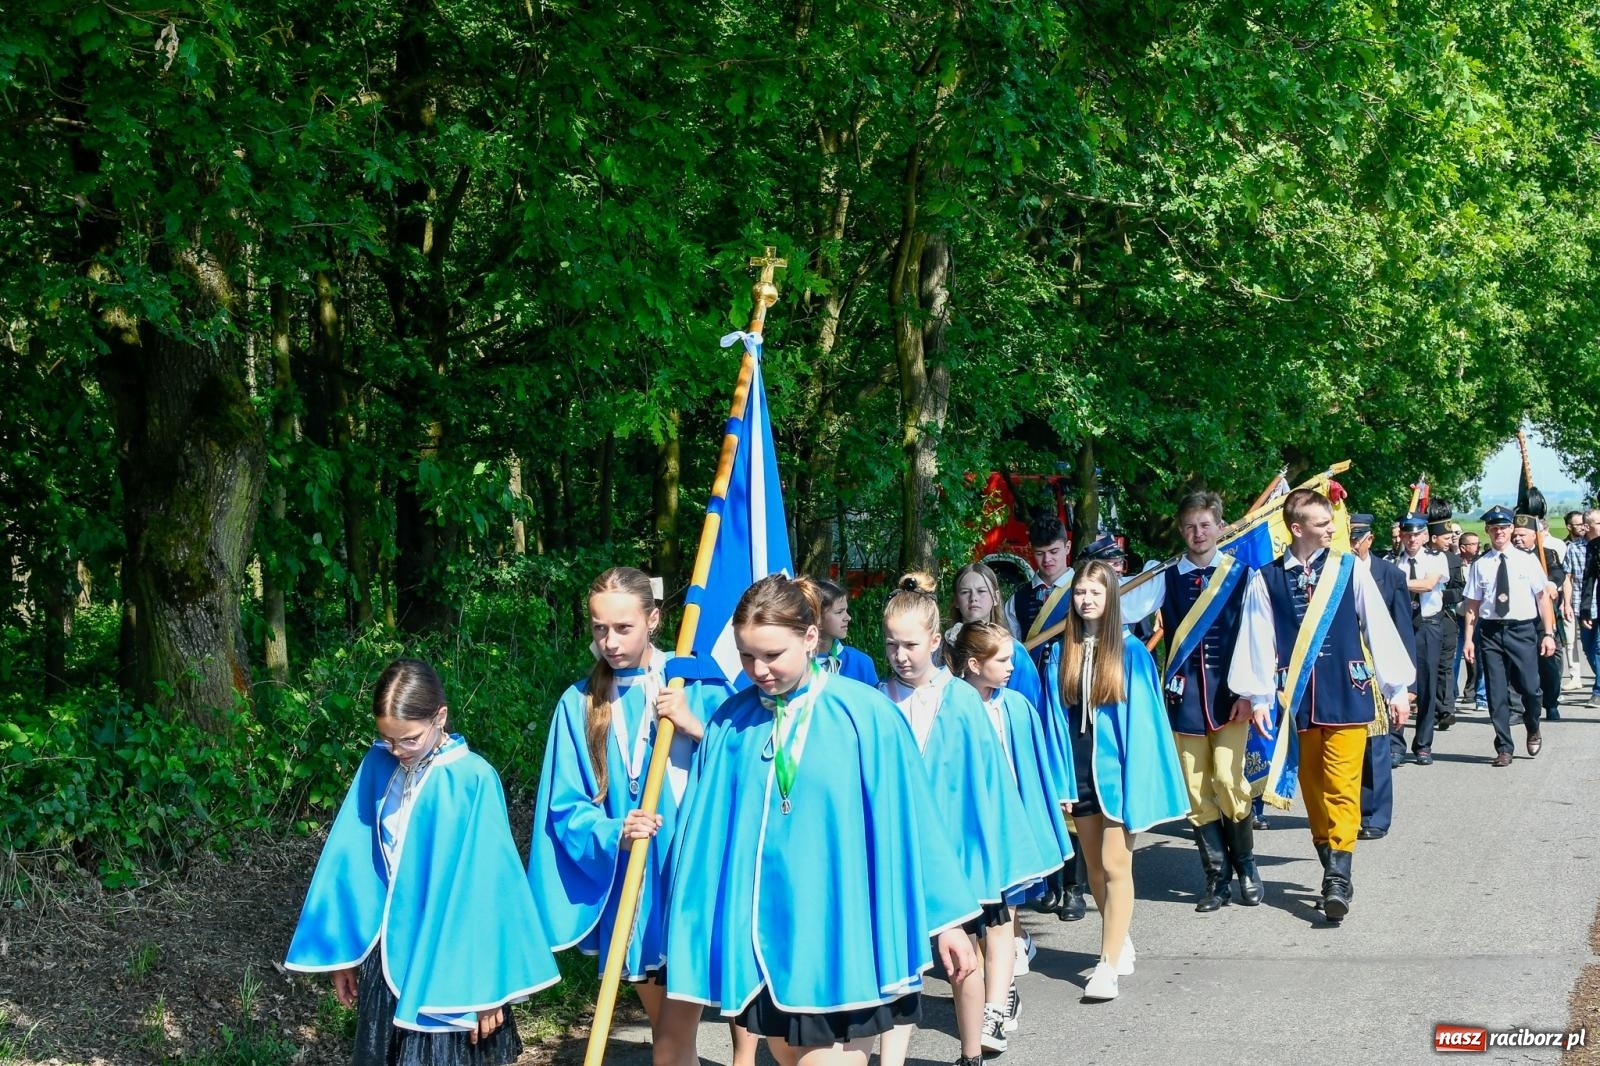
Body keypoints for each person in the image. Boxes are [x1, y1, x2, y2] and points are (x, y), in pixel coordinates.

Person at [665, 574, 979, 1066]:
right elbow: (705, 839)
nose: (758, 670)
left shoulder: (865, 715)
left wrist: (948, 923)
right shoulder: (731, 723)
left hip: (845, 939)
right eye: (747, 656)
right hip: (768, 946)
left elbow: (914, 820)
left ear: (811, 637)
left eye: (772, 654)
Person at [286, 659, 561, 1066]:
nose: (397, 751)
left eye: (409, 740)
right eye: (387, 739)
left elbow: (490, 887)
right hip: (387, 960)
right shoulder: (378, 764)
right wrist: (345, 954)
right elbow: (352, 861)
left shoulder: (474, 779)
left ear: (440, 717)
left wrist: (489, 989)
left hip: (454, 964)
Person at [527, 567, 719, 1066]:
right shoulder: (578, 703)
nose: (609, 642)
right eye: (599, 628)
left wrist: (698, 728)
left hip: (689, 878)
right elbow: (565, 805)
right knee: (669, 1037)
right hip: (634, 890)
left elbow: (746, 766)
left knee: (672, 1042)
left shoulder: (694, 681)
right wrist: (615, 831)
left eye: (623, 628)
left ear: (653, 620)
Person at [878, 574, 1055, 1065]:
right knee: (901, 961)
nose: (900, 655)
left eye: (910, 645)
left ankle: (971, 1052)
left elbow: (988, 783)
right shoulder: (875, 699)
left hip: (961, 852)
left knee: (964, 958)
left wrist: (996, 852)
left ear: (936, 641)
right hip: (902, 850)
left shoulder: (960, 699)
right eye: (891, 645)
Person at [1229, 488, 1414, 923]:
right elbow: (1257, 638)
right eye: (1323, 523)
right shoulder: (1266, 578)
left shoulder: (1349, 568)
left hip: (1348, 691)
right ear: (1297, 529)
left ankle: (1337, 877)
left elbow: (1378, 626)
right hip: (1297, 699)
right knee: (1313, 791)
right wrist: (1258, 697)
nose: (1333, 528)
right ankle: (1333, 866)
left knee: (1342, 786)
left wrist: (1397, 688)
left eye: (1332, 522)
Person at [1046, 559, 1189, 999]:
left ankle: (1106, 965)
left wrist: (1137, 784)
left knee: (1114, 864)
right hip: (1078, 772)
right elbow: (1054, 721)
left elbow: (1144, 728)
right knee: (1092, 868)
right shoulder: (1061, 652)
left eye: (1095, 592)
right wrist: (1059, 780)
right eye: (1080, 592)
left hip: (1117, 777)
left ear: (1112, 597)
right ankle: (1119, 936)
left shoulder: (1132, 653)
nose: (1086, 600)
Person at [948, 620, 1077, 1052]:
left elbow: (1034, 763)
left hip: (1007, 829)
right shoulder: (948, 704)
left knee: (1002, 921)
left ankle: (995, 1010)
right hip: (967, 832)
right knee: (972, 926)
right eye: (1002, 660)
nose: (1011, 666)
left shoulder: (1016, 706)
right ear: (973, 664)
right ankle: (994, 995)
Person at [1146, 491, 1262, 913]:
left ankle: (1246, 865)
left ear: (1220, 527)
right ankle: (1217, 878)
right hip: (1184, 698)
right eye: (1190, 527)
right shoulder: (1165, 576)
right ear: (1182, 531)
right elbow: (1125, 609)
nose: (1198, 533)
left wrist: (1251, 693)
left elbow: (1257, 637)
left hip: (1230, 697)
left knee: (1229, 781)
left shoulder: (1243, 575)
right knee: (1196, 790)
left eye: (1205, 525)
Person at [1462, 506, 1557, 766]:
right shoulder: (1481, 565)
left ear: (1511, 529)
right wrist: (1469, 639)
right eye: (1494, 528)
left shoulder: (1527, 560)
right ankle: (1504, 746)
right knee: (1496, 692)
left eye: (1503, 528)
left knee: (1531, 688)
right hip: (1491, 632)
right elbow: (1472, 605)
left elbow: (1543, 599)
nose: (1499, 533)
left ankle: (1533, 725)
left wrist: (1548, 633)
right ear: (1487, 531)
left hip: (1522, 630)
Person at [1349, 515, 1416, 841]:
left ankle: (1375, 815)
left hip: (1377, 667)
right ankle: (1348, 810)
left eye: (1356, 539)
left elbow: (1401, 630)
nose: (1351, 545)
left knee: (1376, 745)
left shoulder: (1390, 574)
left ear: (1369, 540)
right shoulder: (1333, 572)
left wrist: (1406, 686)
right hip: (1343, 668)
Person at [1395, 511, 1450, 765]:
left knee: (1427, 686)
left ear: (1425, 535)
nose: (1412, 539)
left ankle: (1423, 745)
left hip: (1428, 625)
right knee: (1398, 685)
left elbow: (1428, 584)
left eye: (1416, 534)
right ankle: (1396, 744)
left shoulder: (1436, 558)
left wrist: (1397, 582)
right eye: (1407, 534)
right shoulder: (1393, 561)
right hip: (1400, 626)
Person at [1511, 511, 1565, 722]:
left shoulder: (1546, 553)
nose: (1517, 539)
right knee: (1514, 664)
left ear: (1535, 535)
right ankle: (1517, 709)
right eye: (1515, 535)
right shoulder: (1507, 555)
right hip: (1516, 617)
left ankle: (1551, 703)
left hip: (1542, 617)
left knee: (1546, 662)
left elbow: (1558, 572)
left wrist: (1551, 582)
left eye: (1522, 535)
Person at [1004, 513, 1073, 643]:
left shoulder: (1085, 591)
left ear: (1067, 548)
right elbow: (1012, 648)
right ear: (1031, 551)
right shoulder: (1017, 600)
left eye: (1054, 551)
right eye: (1040, 553)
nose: (1047, 559)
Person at [1427, 503, 1465, 728]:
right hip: (1423, 619)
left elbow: (1460, 589)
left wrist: (1439, 594)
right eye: (1445, 537)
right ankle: (1429, 709)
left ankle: (1446, 709)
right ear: (1433, 538)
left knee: (1445, 665)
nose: (1450, 541)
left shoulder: (1453, 560)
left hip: (1446, 617)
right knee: (1426, 666)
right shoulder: (1420, 557)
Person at [815, 578, 879, 685]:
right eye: (839, 612)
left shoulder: (860, 663)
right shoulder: (796, 665)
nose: (848, 618)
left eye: (846, 610)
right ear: (817, 617)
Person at [1456, 531, 1485, 710]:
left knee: (1481, 657)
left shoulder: (1482, 563)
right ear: (1463, 547)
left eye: (1478, 543)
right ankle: (1451, 694)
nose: (1477, 547)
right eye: (1473, 544)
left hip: (1478, 617)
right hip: (1457, 616)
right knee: (1455, 658)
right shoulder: (1454, 563)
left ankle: (1481, 695)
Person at [1562, 512, 1588, 685]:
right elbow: (1566, 576)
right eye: (1578, 524)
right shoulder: (1565, 546)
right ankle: (1575, 676)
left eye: (1583, 523)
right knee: (1570, 640)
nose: (1582, 527)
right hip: (1571, 598)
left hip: (1588, 598)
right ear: (1569, 527)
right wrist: (1566, 602)